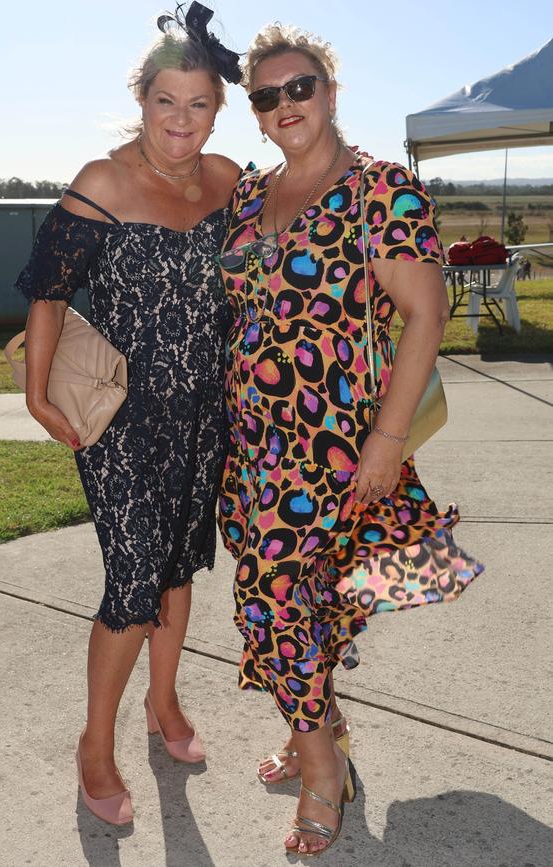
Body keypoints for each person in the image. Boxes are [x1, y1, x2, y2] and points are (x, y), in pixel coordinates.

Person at [217, 24, 484, 857]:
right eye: (267, 96)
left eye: (301, 87)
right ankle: (317, 732)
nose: (285, 104)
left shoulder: (382, 191)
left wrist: (388, 439)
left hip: (333, 447)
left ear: (330, 93)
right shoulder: (248, 198)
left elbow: (427, 313)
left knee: (269, 603)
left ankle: (323, 768)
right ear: (256, 115)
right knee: (303, 607)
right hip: (248, 444)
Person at [15, 6, 241, 826]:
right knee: (135, 583)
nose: (181, 122)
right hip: (120, 421)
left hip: (204, 416)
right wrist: (38, 393)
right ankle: (95, 744)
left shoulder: (228, 180)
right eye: (165, 102)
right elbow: (47, 288)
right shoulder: (102, 181)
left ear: (218, 109)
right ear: (140, 99)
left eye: (199, 104)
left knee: (179, 570)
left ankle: (164, 700)